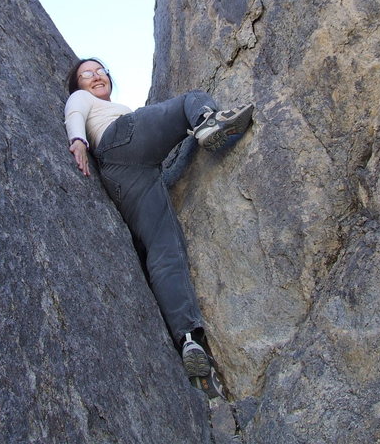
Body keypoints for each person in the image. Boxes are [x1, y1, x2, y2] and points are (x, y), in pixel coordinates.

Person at [63, 58, 254, 385]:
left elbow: (160, 166)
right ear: (78, 85)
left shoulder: (107, 106)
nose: (96, 76)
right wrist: (77, 141)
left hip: (123, 176)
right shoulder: (85, 100)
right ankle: (206, 120)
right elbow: (74, 112)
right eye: (87, 75)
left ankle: (188, 338)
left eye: (100, 71)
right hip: (121, 137)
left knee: (165, 248)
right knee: (188, 102)